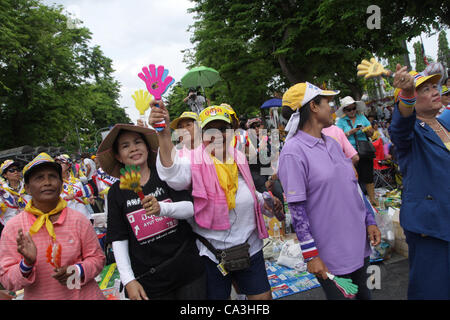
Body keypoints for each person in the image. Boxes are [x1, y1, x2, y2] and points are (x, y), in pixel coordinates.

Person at [149, 103, 281, 300]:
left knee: (262, 299)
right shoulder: (192, 160)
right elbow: (174, 175)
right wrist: (163, 134)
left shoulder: (238, 157)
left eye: (222, 129)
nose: (217, 134)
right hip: (212, 254)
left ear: (231, 131)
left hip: (250, 248)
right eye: (210, 129)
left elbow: (248, 192)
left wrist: (266, 201)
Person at [278, 82, 381, 300]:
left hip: (358, 244)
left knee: (365, 296)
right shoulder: (293, 152)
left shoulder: (332, 143)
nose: (332, 107)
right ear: (314, 107)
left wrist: (370, 220)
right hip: (332, 255)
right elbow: (297, 209)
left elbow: (354, 187)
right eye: (327, 102)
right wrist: (311, 255)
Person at [96, 123, 206, 300]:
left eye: (137, 142)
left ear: (147, 147)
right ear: (118, 156)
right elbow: (118, 238)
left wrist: (162, 208)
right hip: (151, 281)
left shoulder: (165, 175)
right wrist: (129, 279)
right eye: (125, 146)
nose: (133, 148)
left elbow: (190, 208)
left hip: (188, 271)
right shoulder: (116, 192)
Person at [0, 153, 105, 300]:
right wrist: (27, 264)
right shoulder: (14, 228)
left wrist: (76, 271)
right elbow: (7, 280)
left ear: (61, 184)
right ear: (28, 188)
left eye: (53, 176)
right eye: (39, 178)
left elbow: (98, 258)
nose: (47, 182)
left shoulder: (78, 220)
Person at [389, 64, 450, 299]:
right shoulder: (409, 131)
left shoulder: (443, 122)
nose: (435, 91)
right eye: (423, 89)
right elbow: (400, 126)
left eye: (434, 86)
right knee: (432, 290)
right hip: (431, 226)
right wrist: (406, 94)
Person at [336, 96, 376, 205]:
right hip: (350, 153)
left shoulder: (362, 117)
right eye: (349, 109)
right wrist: (351, 132)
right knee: (353, 178)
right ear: (344, 110)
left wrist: (366, 130)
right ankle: (356, 202)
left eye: (353, 108)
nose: (352, 111)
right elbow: (338, 137)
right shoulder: (341, 121)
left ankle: (373, 200)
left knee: (368, 176)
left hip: (365, 150)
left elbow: (371, 132)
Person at [54, 154, 94, 221]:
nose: (58, 165)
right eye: (56, 164)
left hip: (83, 216)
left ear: (68, 165)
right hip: (66, 219)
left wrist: (88, 200)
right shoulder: (54, 183)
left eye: (61, 163)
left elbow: (83, 198)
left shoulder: (77, 181)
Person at [0, 160, 30, 236]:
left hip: (30, 227)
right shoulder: (2, 191)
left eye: (18, 169)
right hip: (10, 230)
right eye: (12, 170)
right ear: (5, 175)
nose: (16, 172)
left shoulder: (28, 186)